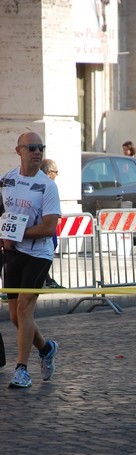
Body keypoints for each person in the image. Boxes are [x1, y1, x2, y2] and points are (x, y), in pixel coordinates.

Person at [0, 132, 60, 389]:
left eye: (41, 148)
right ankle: (46, 348)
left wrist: (15, 234)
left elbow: (49, 227)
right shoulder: (5, 181)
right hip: (14, 253)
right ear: (19, 151)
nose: (37, 152)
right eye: (32, 148)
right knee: (15, 316)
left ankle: (22, 370)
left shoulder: (48, 186)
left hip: (38, 253)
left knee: (25, 308)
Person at [40, 159, 63, 289]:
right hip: (45, 226)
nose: (57, 175)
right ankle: (45, 278)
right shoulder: (48, 185)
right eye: (56, 172)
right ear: (49, 172)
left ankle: (46, 278)